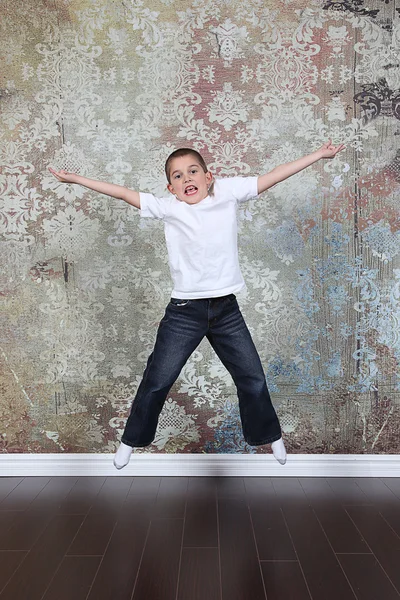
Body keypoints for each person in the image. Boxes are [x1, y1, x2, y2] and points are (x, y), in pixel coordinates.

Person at [49, 140, 345, 468]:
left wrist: (319, 155)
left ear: (208, 177)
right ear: (170, 188)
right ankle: (130, 442)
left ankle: (270, 436)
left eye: (192, 172)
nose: (186, 179)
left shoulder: (228, 193)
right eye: (177, 176)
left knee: (252, 377)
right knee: (158, 379)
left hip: (225, 310)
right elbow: (121, 193)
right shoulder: (169, 208)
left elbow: (273, 176)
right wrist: (77, 180)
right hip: (184, 312)